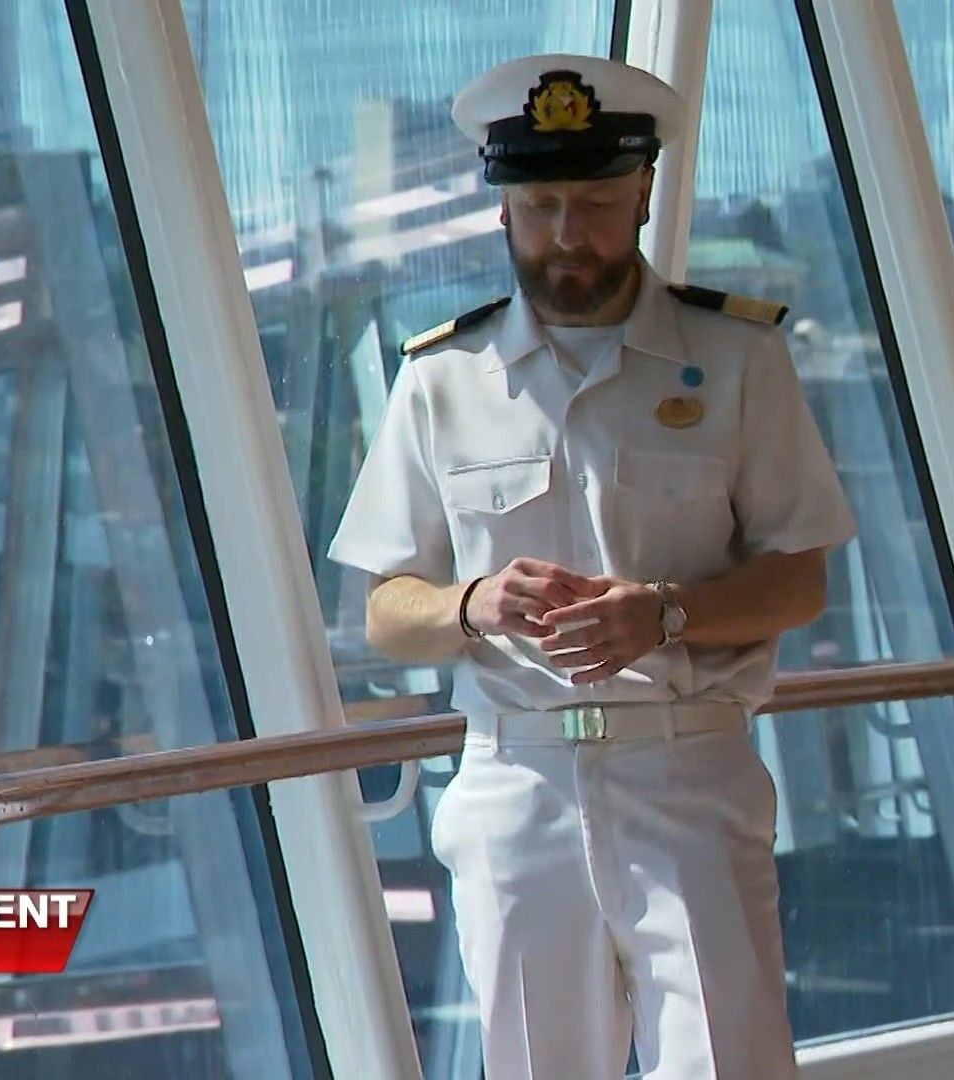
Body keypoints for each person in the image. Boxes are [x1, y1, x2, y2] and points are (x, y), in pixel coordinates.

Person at [326, 53, 856, 1080]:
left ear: (645, 193)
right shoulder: (442, 377)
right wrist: (476, 603)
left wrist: (665, 613)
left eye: (598, 204)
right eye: (542, 207)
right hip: (515, 786)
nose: (568, 233)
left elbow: (801, 578)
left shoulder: (738, 359)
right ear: (503, 209)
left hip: (688, 770)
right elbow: (383, 612)